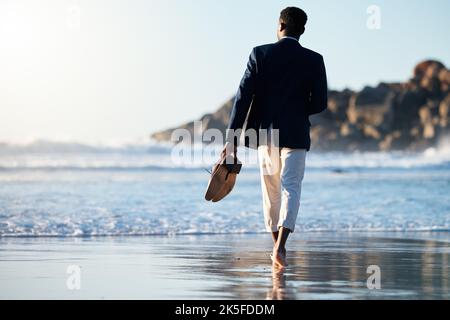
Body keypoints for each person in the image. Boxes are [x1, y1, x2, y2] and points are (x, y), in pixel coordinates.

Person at [224, 7, 328, 268]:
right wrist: (297, 109)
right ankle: (281, 247)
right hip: (296, 131)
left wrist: (231, 139)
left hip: (267, 132)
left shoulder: (260, 53)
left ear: (279, 25)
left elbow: (242, 97)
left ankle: (276, 247)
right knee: (291, 187)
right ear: (302, 30)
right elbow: (320, 103)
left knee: (271, 192)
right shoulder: (314, 59)